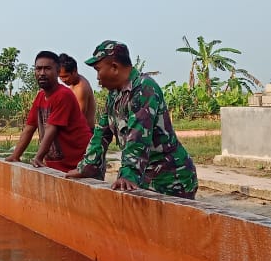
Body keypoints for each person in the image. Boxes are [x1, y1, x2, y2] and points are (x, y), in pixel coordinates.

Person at [67, 40, 198, 199]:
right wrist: (87, 166)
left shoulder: (144, 88)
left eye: (98, 70)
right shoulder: (114, 95)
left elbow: (137, 136)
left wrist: (128, 174)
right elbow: (101, 133)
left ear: (114, 67)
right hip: (145, 176)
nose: (97, 77)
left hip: (171, 178)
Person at [5, 51, 93, 173]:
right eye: (38, 69)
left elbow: (52, 128)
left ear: (57, 72)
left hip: (78, 163)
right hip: (58, 164)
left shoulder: (64, 95)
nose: (42, 73)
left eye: (47, 69)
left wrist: (38, 157)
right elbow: (30, 127)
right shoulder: (40, 97)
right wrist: (15, 155)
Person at [57, 53, 98, 130]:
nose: (63, 80)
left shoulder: (80, 88)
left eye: (65, 76)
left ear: (75, 71)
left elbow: (78, 117)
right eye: (60, 77)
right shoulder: (73, 84)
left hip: (84, 132)